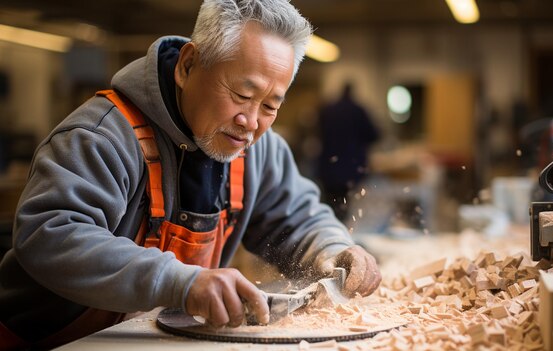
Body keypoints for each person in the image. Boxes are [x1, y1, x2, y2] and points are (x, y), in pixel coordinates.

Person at [0, 0, 381, 349]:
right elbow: (49, 234)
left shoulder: (257, 151)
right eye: (241, 95)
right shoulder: (100, 137)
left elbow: (297, 221)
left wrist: (333, 251)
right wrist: (182, 282)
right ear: (187, 66)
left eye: (269, 105)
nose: (250, 123)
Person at [317, 83, 380, 221]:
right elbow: (374, 136)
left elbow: (317, 134)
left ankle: (332, 232)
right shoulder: (358, 111)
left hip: (329, 168)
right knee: (346, 208)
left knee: (329, 206)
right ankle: (339, 235)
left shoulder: (328, 110)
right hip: (350, 168)